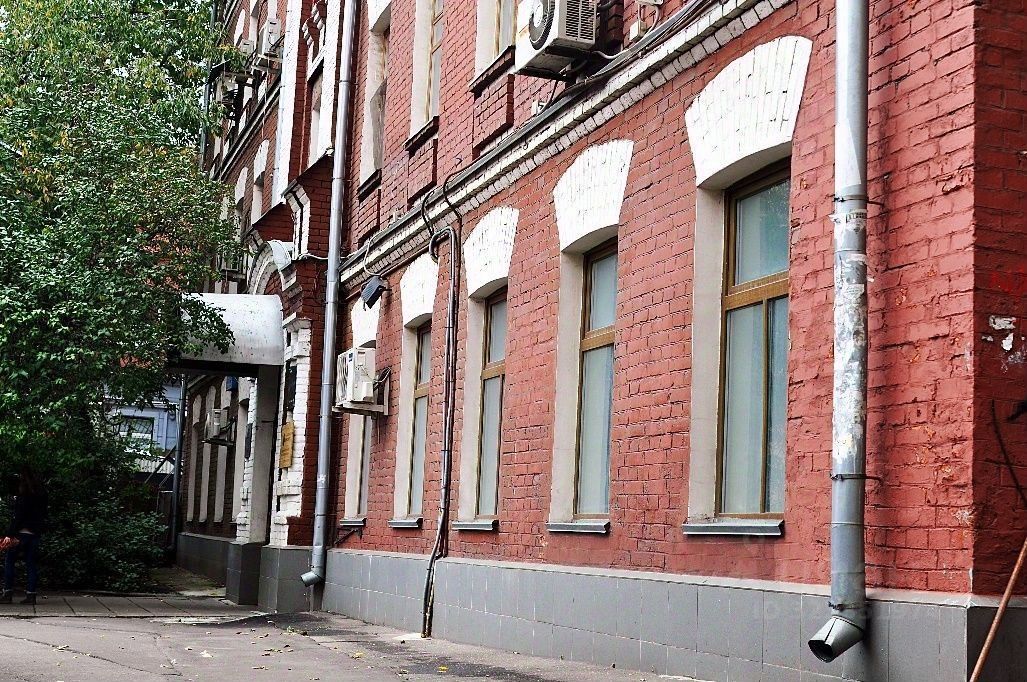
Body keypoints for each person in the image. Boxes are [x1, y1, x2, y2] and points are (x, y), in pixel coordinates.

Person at [0, 468, 48, 605]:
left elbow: (18, 517)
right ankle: (31, 595)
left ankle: (8, 593)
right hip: (34, 533)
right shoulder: (42, 495)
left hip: (21, 534)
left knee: (10, 561)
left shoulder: (23, 496)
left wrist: (10, 534)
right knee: (31, 563)